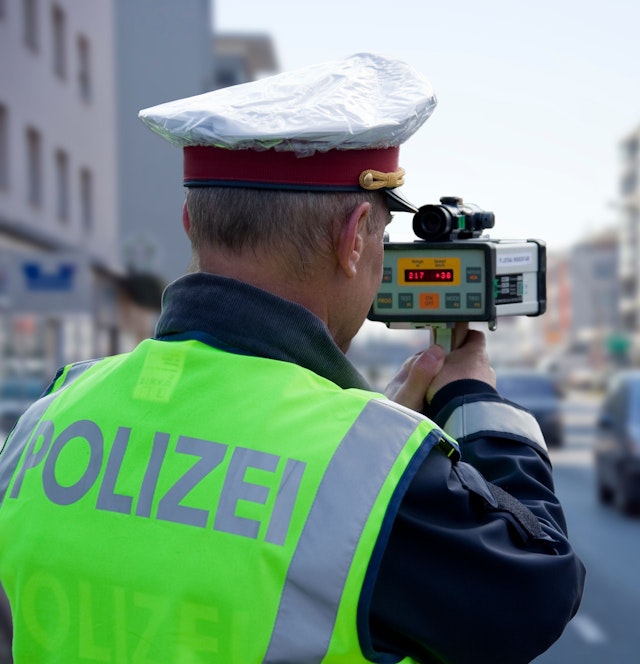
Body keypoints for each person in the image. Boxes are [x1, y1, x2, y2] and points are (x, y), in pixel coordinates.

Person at [0, 53, 584, 663]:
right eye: (383, 235)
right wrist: (474, 403)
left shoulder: (48, 417)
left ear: (188, 221)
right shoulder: (365, 468)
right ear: (354, 236)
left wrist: (370, 433)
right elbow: (537, 588)